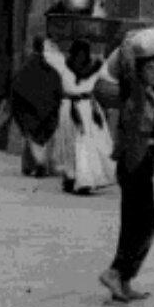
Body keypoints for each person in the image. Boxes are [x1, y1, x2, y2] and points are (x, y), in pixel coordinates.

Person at [99, 42, 154, 304]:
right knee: (143, 222)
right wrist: (130, 45)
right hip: (132, 162)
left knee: (140, 222)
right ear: (140, 70)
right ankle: (115, 272)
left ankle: (124, 281)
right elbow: (128, 68)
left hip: (145, 160)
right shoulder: (134, 90)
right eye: (150, 67)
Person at [43, 38, 116, 195]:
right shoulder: (71, 67)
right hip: (74, 109)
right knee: (74, 144)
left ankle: (83, 179)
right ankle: (75, 178)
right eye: (79, 54)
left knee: (82, 145)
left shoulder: (88, 68)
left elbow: (111, 77)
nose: (81, 58)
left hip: (83, 109)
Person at [9, 35, 63, 177]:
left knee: (30, 137)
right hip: (45, 109)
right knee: (42, 138)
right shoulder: (50, 68)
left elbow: (16, 87)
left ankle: (30, 165)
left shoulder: (26, 66)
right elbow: (56, 88)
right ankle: (40, 164)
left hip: (28, 109)